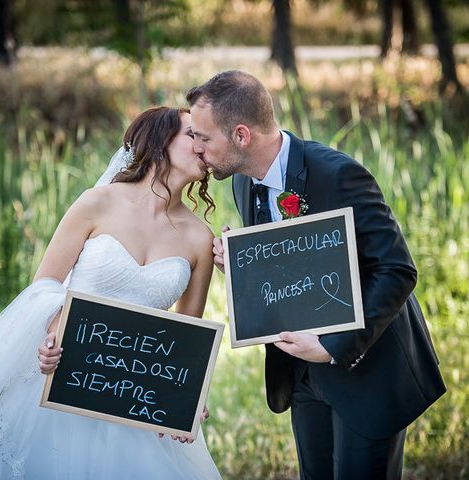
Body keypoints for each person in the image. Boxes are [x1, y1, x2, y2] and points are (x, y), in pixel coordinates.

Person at [187, 71, 447, 479]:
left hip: (365, 366)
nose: (196, 148)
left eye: (203, 138)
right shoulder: (242, 184)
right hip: (301, 373)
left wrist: (333, 346)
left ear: (241, 136)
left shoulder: (337, 175)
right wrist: (241, 267)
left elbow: (397, 270)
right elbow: (293, 268)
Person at [0, 106, 221, 479]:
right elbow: (44, 287)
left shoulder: (199, 238)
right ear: (160, 140)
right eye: (193, 135)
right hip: (66, 379)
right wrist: (53, 333)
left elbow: (188, 337)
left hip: (134, 396)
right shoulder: (97, 203)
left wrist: (188, 397)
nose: (204, 146)